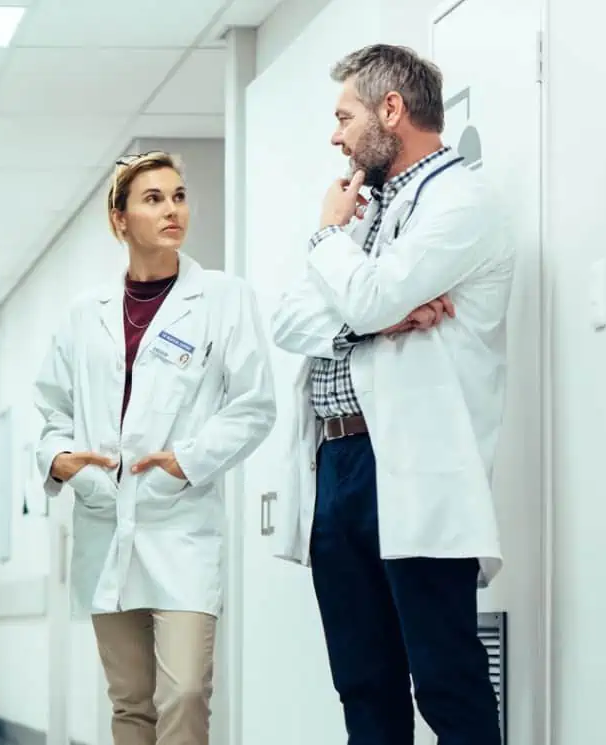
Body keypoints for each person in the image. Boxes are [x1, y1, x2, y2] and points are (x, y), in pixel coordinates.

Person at [268, 44, 513, 745]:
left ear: (392, 110)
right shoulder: (366, 213)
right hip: (339, 464)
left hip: (412, 463)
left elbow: (368, 294)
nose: (336, 135)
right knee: (364, 684)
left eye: (344, 115)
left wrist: (328, 242)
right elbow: (290, 319)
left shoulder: (462, 200)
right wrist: (366, 315)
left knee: (446, 677)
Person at [31, 151, 277, 745]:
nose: (172, 209)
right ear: (119, 220)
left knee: (186, 692)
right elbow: (52, 409)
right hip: (103, 520)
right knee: (130, 703)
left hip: (181, 524)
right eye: (153, 198)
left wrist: (186, 460)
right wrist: (60, 459)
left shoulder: (223, 298)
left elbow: (254, 404)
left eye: (178, 196)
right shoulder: (82, 313)